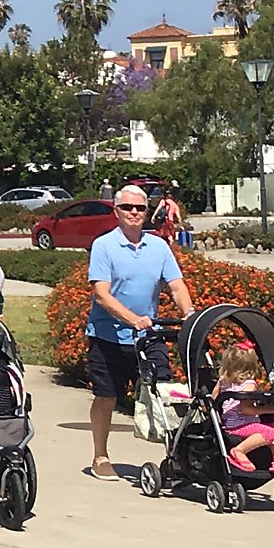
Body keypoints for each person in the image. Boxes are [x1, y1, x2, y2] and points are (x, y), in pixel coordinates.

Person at [86, 185, 195, 479]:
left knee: (165, 393)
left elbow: (175, 285)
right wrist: (132, 318)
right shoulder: (104, 246)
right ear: (116, 211)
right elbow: (101, 294)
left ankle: (174, 457)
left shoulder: (159, 247)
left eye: (140, 208)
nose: (134, 213)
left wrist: (190, 314)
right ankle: (100, 455)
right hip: (107, 335)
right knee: (107, 396)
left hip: (149, 336)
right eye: (128, 208)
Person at [215, 343, 274, 474]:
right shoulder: (249, 385)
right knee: (271, 432)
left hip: (229, 423)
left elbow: (213, 398)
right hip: (241, 425)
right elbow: (245, 409)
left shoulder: (223, 381)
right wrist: (267, 409)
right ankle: (239, 450)